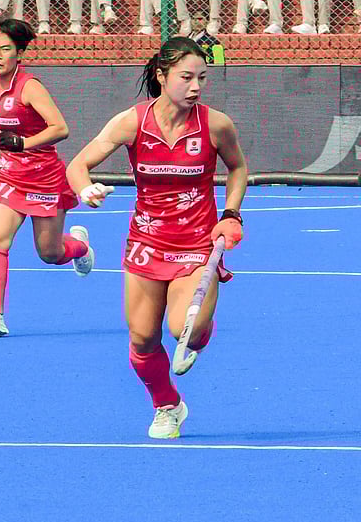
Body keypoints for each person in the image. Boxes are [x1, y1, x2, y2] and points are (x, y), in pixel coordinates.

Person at [66, 37, 248, 439]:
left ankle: (202, 330)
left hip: (198, 245)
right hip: (146, 244)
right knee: (143, 338)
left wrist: (231, 215)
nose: (196, 85)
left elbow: (237, 169)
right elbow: (79, 164)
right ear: (161, 76)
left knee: (188, 328)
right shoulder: (132, 122)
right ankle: (168, 405)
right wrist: (85, 190)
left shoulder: (216, 124)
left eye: (202, 77)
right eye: (186, 77)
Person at [0, 18, 95, 337]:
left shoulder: (30, 87)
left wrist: (24, 143)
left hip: (44, 178)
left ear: (19, 53)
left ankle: (80, 247)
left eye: (5, 49)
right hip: (8, 176)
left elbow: (60, 128)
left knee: (50, 253)